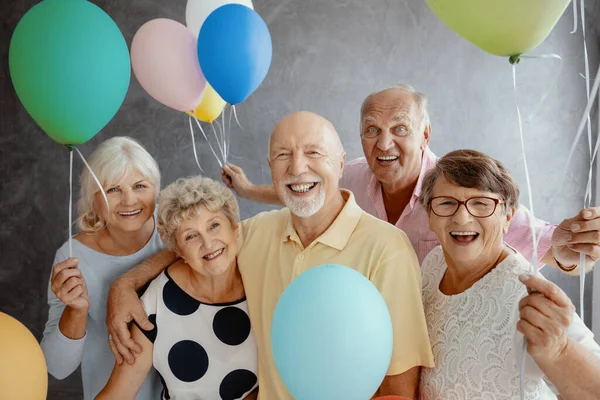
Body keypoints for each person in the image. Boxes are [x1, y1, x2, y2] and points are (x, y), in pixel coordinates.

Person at [106, 112, 434, 399]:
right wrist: (126, 283)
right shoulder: (256, 232)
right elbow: (196, 247)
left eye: (313, 152)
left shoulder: (388, 249)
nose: (297, 167)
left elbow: (400, 386)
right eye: (282, 155)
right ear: (271, 168)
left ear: (342, 163)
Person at [220, 85, 600, 273]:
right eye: (371, 130)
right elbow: (306, 189)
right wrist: (250, 189)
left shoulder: (463, 189)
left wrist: (574, 247)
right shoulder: (352, 174)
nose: (384, 143)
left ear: (425, 135)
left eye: (399, 128)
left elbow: (545, 244)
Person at [418, 149, 600, 399]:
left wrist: (559, 350)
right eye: (446, 203)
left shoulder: (529, 295)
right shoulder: (433, 263)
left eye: (481, 203)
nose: (461, 218)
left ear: (508, 217)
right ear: (429, 214)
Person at [96, 176, 258, 400]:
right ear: (178, 251)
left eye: (214, 225)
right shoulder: (158, 301)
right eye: (191, 236)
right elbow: (119, 393)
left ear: (234, 229)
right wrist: (123, 284)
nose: (208, 243)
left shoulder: (262, 280)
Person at [40, 137, 162, 399]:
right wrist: (76, 310)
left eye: (140, 186)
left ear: (156, 190)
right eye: (113, 190)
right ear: (92, 199)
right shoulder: (72, 257)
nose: (129, 201)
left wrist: (125, 282)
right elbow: (58, 368)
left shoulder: (179, 231)